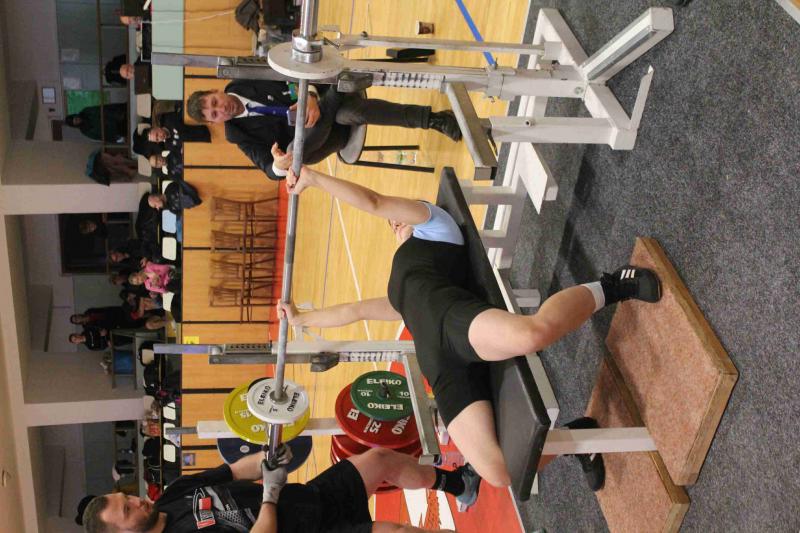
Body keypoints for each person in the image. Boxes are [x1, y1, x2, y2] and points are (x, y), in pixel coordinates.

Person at [277, 166, 663, 489]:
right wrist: (300, 319)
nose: (394, 221)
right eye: (392, 222)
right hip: (441, 369)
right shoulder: (399, 291)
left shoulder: (434, 225)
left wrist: (312, 178)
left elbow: (374, 202)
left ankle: (614, 285)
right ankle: (578, 435)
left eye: (398, 216)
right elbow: (355, 311)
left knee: (532, 334)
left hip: (458, 324)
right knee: (498, 472)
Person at [82, 444, 476, 533]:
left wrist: (267, 458)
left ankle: (458, 483)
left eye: (127, 496)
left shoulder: (172, 495)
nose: (136, 501)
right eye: (127, 510)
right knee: (400, 532)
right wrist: (269, 493)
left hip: (307, 498)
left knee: (380, 460)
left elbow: (231, 472)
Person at [186, 80, 462, 180]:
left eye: (215, 102)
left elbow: (291, 71)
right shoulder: (236, 134)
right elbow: (268, 169)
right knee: (294, 152)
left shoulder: (244, 80)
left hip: (322, 100)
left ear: (215, 91)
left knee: (352, 114)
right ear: (215, 123)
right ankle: (336, 96)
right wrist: (279, 165)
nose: (221, 109)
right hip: (322, 139)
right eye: (214, 114)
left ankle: (434, 119)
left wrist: (310, 96)